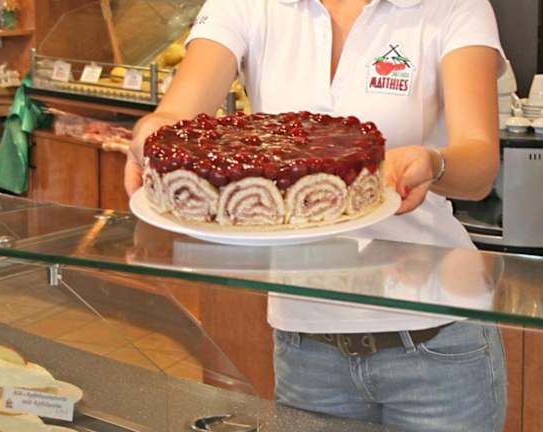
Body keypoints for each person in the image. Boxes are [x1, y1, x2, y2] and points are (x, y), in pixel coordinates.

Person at [125, 1, 506, 431]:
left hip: (436, 342)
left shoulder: (454, 7)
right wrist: (149, 135)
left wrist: (433, 162)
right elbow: (175, 117)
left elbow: (480, 166)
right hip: (306, 347)